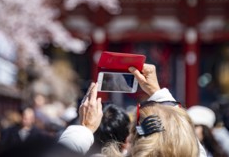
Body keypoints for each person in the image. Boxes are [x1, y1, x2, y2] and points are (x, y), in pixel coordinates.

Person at [58, 63, 207, 157]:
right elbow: (192, 146)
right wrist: (158, 93)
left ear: (132, 137)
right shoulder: (192, 151)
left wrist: (85, 128)